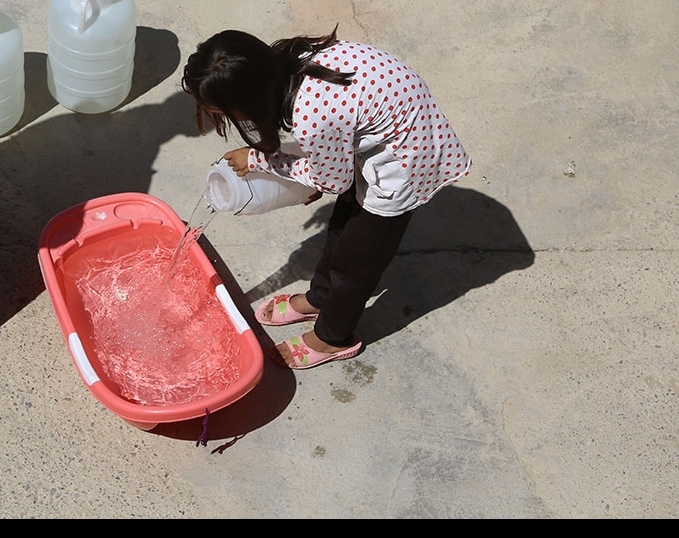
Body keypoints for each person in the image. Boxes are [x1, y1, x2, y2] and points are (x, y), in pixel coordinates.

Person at [181, 28, 470, 370]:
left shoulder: (312, 117)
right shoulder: (298, 60)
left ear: (248, 103)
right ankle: (320, 298)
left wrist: (258, 159)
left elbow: (331, 180)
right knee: (340, 229)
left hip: (406, 163)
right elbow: (337, 150)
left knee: (356, 263)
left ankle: (333, 337)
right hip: (391, 129)